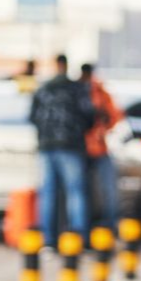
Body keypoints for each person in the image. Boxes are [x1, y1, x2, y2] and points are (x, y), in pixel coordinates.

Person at [29, 54, 94, 248]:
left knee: (48, 193)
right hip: (70, 146)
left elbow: (33, 116)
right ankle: (77, 239)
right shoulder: (76, 89)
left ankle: (48, 240)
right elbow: (88, 115)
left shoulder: (43, 88)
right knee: (76, 192)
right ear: (66, 66)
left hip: (46, 146)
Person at [80, 62, 123, 231]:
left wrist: (101, 131)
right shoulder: (99, 90)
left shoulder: (89, 91)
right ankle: (108, 225)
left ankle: (103, 225)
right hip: (93, 147)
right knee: (104, 188)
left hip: (88, 147)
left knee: (93, 189)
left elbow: (114, 116)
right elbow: (115, 115)